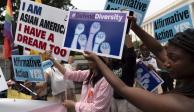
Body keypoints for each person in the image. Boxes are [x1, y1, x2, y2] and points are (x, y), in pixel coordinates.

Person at [83, 17, 194, 111]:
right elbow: (159, 50)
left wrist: (96, 59)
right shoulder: (185, 73)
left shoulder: (184, 104)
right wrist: (134, 27)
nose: (166, 63)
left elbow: (123, 89)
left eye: (173, 58)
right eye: (167, 56)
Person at [45, 50, 113, 112]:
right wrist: (53, 60)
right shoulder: (89, 73)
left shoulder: (106, 81)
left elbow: (97, 109)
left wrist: (74, 104)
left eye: (92, 59)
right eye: (88, 59)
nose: (89, 62)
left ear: (100, 61)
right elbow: (70, 74)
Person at [109, 34, 139, 112]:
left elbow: (131, 55)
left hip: (126, 101)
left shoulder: (128, 65)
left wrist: (126, 33)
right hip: (114, 99)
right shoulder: (112, 65)